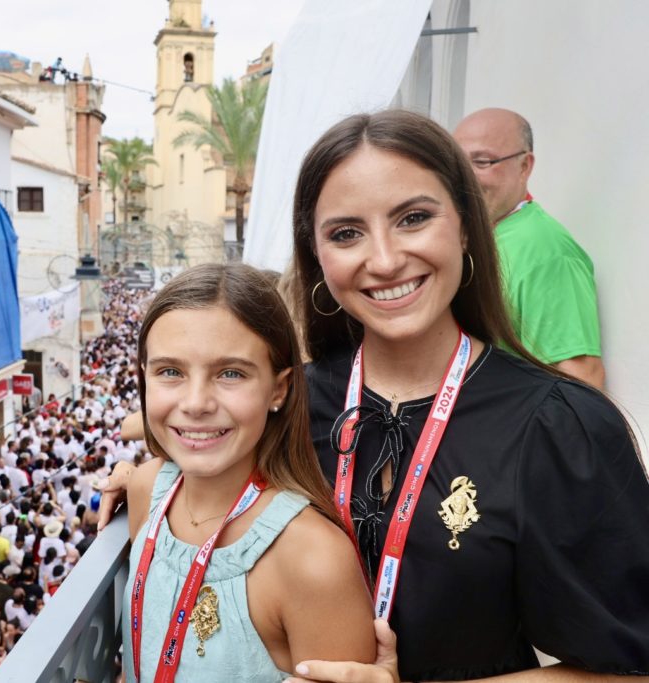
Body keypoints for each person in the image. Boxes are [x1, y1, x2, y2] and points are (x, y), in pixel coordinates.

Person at [99, 111, 649, 682]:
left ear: (464, 227)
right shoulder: (291, 404)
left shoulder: (558, 429)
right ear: (317, 256)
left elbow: (631, 667)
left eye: (413, 218)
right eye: (346, 233)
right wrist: (150, 472)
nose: (384, 260)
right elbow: (204, 436)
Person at [122, 263, 375, 681]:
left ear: (279, 389)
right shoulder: (146, 489)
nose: (197, 402)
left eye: (230, 374)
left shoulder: (313, 560)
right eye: (171, 372)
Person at [453, 108, 605, 388]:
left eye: (482, 161)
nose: (466, 178)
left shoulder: (546, 251)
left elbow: (581, 376)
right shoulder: (474, 232)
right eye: (458, 164)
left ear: (525, 166)